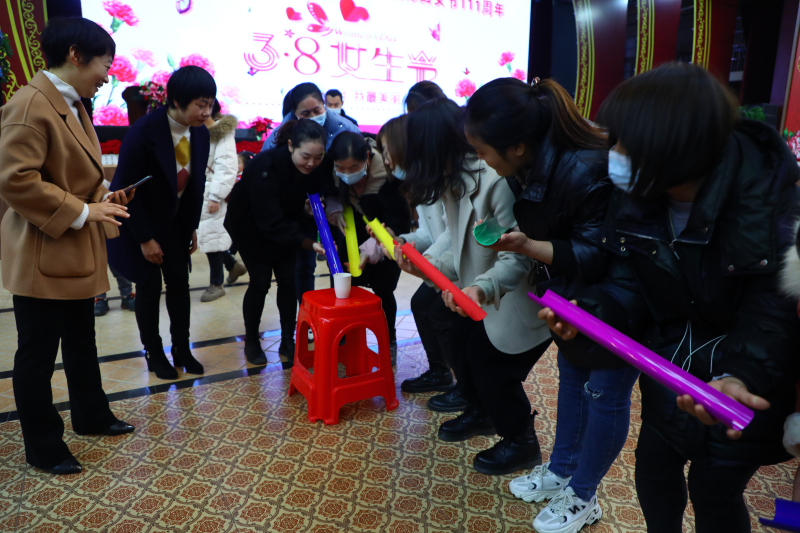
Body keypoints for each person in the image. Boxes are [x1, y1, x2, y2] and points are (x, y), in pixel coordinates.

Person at [541, 63, 800, 533]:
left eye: (624, 142)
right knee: (654, 474)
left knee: (714, 493)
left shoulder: (769, 210)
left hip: (736, 389)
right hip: (669, 372)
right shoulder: (640, 198)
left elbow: (772, 315)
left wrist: (740, 376)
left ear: (672, 146)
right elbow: (629, 283)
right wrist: (592, 314)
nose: (613, 154)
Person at [463, 77, 622, 533]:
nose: (481, 160)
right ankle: (561, 470)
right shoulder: (528, 166)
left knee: (603, 395)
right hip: (571, 293)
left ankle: (584, 494)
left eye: (483, 151)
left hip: (615, 299)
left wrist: (529, 245)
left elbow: (596, 253)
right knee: (572, 381)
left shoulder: (585, 169)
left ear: (515, 146)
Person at [0, 17, 135, 475]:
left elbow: (74, 175)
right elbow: (15, 180)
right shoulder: (30, 104)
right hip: (42, 251)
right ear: (76, 55)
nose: (106, 76)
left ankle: (91, 415)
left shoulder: (72, 103)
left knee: (81, 340)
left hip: (72, 249)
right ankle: (43, 446)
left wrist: (103, 197)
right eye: (105, 64)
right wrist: (83, 211)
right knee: (37, 356)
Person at [394, 98, 551, 475]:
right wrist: (428, 264)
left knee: (489, 362)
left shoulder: (494, 180)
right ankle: (482, 412)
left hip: (514, 297)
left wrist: (480, 288)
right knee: (463, 343)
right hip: (481, 292)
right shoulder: (453, 180)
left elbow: (517, 256)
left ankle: (521, 441)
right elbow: (457, 239)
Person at [108, 65, 215, 380]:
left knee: (179, 284)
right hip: (141, 222)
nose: (207, 113)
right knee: (149, 286)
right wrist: (145, 239)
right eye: (201, 105)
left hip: (176, 225)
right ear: (177, 101)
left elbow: (194, 186)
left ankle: (181, 348)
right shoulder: (145, 131)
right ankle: (154, 353)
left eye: (211, 105)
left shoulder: (200, 132)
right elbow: (126, 190)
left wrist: (191, 226)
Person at [225, 119, 329, 366]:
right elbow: (269, 220)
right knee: (260, 282)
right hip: (250, 228)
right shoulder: (264, 165)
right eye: (306, 156)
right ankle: (252, 341)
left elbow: (304, 200)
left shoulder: (314, 167)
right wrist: (309, 243)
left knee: (288, 280)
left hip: (286, 226)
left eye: (318, 157)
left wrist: (306, 210)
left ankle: (287, 341)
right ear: (291, 146)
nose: (311, 163)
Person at [262, 83, 361, 326]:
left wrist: (336, 207)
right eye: (305, 114)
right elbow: (269, 173)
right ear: (294, 114)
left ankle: (339, 317)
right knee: (303, 264)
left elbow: (350, 175)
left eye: (317, 110)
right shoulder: (279, 136)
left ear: (324, 105)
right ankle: (308, 319)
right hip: (298, 206)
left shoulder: (345, 128)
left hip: (336, 201)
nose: (313, 117)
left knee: (338, 261)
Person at [375, 115, 452, 392]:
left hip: (457, 264)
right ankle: (439, 371)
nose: (386, 161)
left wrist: (427, 261)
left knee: (438, 312)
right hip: (442, 262)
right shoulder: (421, 184)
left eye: (387, 152)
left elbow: (451, 233)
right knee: (421, 303)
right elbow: (428, 234)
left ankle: (463, 386)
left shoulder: (442, 180)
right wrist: (400, 241)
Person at [324, 131, 411, 365]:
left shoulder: (389, 176)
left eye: (354, 167)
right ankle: (343, 339)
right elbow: (329, 194)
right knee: (343, 286)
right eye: (340, 168)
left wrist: (369, 251)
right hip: (351, 231)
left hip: (386, 233)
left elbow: (398, 224)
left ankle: (389, 341)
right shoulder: (330, 171)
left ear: (368, 159)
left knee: (384, 290)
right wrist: (334, 211)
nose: (347, 174)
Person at [197, 99, 246, 302]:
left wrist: (216, 195)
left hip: (212, 193)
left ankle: (216, 284)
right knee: (208, 236)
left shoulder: (221, 133)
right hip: (201, 191)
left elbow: (227, 167)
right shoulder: (196, 131)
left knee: (212, 237)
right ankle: (233, 265)